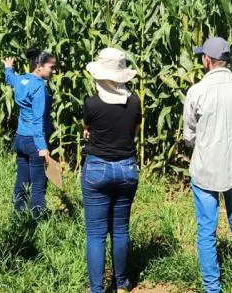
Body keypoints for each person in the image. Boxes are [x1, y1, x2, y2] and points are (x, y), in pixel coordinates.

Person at [182, 37, 232, 293]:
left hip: (205, 169)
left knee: (207, 230)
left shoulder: (197, 91)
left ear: (207, 60)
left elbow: (189, 136)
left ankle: (212, 287)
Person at [80, 47, 142, 293]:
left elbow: (88, 128)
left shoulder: (91, 103)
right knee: (120, 230)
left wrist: (91, 133)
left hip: (97, 168)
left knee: (96, 234)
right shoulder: (134, 101)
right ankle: (122, 283)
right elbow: (134, 131)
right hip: (126, 167)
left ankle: (97, 289)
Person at [3, 48, 57, 218]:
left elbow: (10, 79)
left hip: (20, 139)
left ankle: (18, 213)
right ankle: (38, 216)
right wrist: (42, 147)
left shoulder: (22, 80)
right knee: (38, 183)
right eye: (51, 67)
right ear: (39, 66)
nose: (54, 71)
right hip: (34, 141)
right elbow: (38, 120)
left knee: (22, 179)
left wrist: (8, 68)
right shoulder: (39, 87)